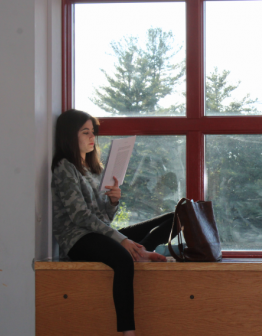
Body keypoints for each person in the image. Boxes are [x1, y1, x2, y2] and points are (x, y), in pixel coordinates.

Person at [51, 109, 175, 336]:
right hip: (77, 238)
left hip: (98, 233)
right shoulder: (64, 168)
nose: (92, 138)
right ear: (69, 136)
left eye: (93, 133)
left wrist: (113, 202)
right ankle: (128, 331)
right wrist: (122, 240)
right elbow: (80, 217)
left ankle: (141, 251)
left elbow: (103, 218)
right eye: (85, 132)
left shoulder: (90, 170)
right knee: (123, 259)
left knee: (174, 217)